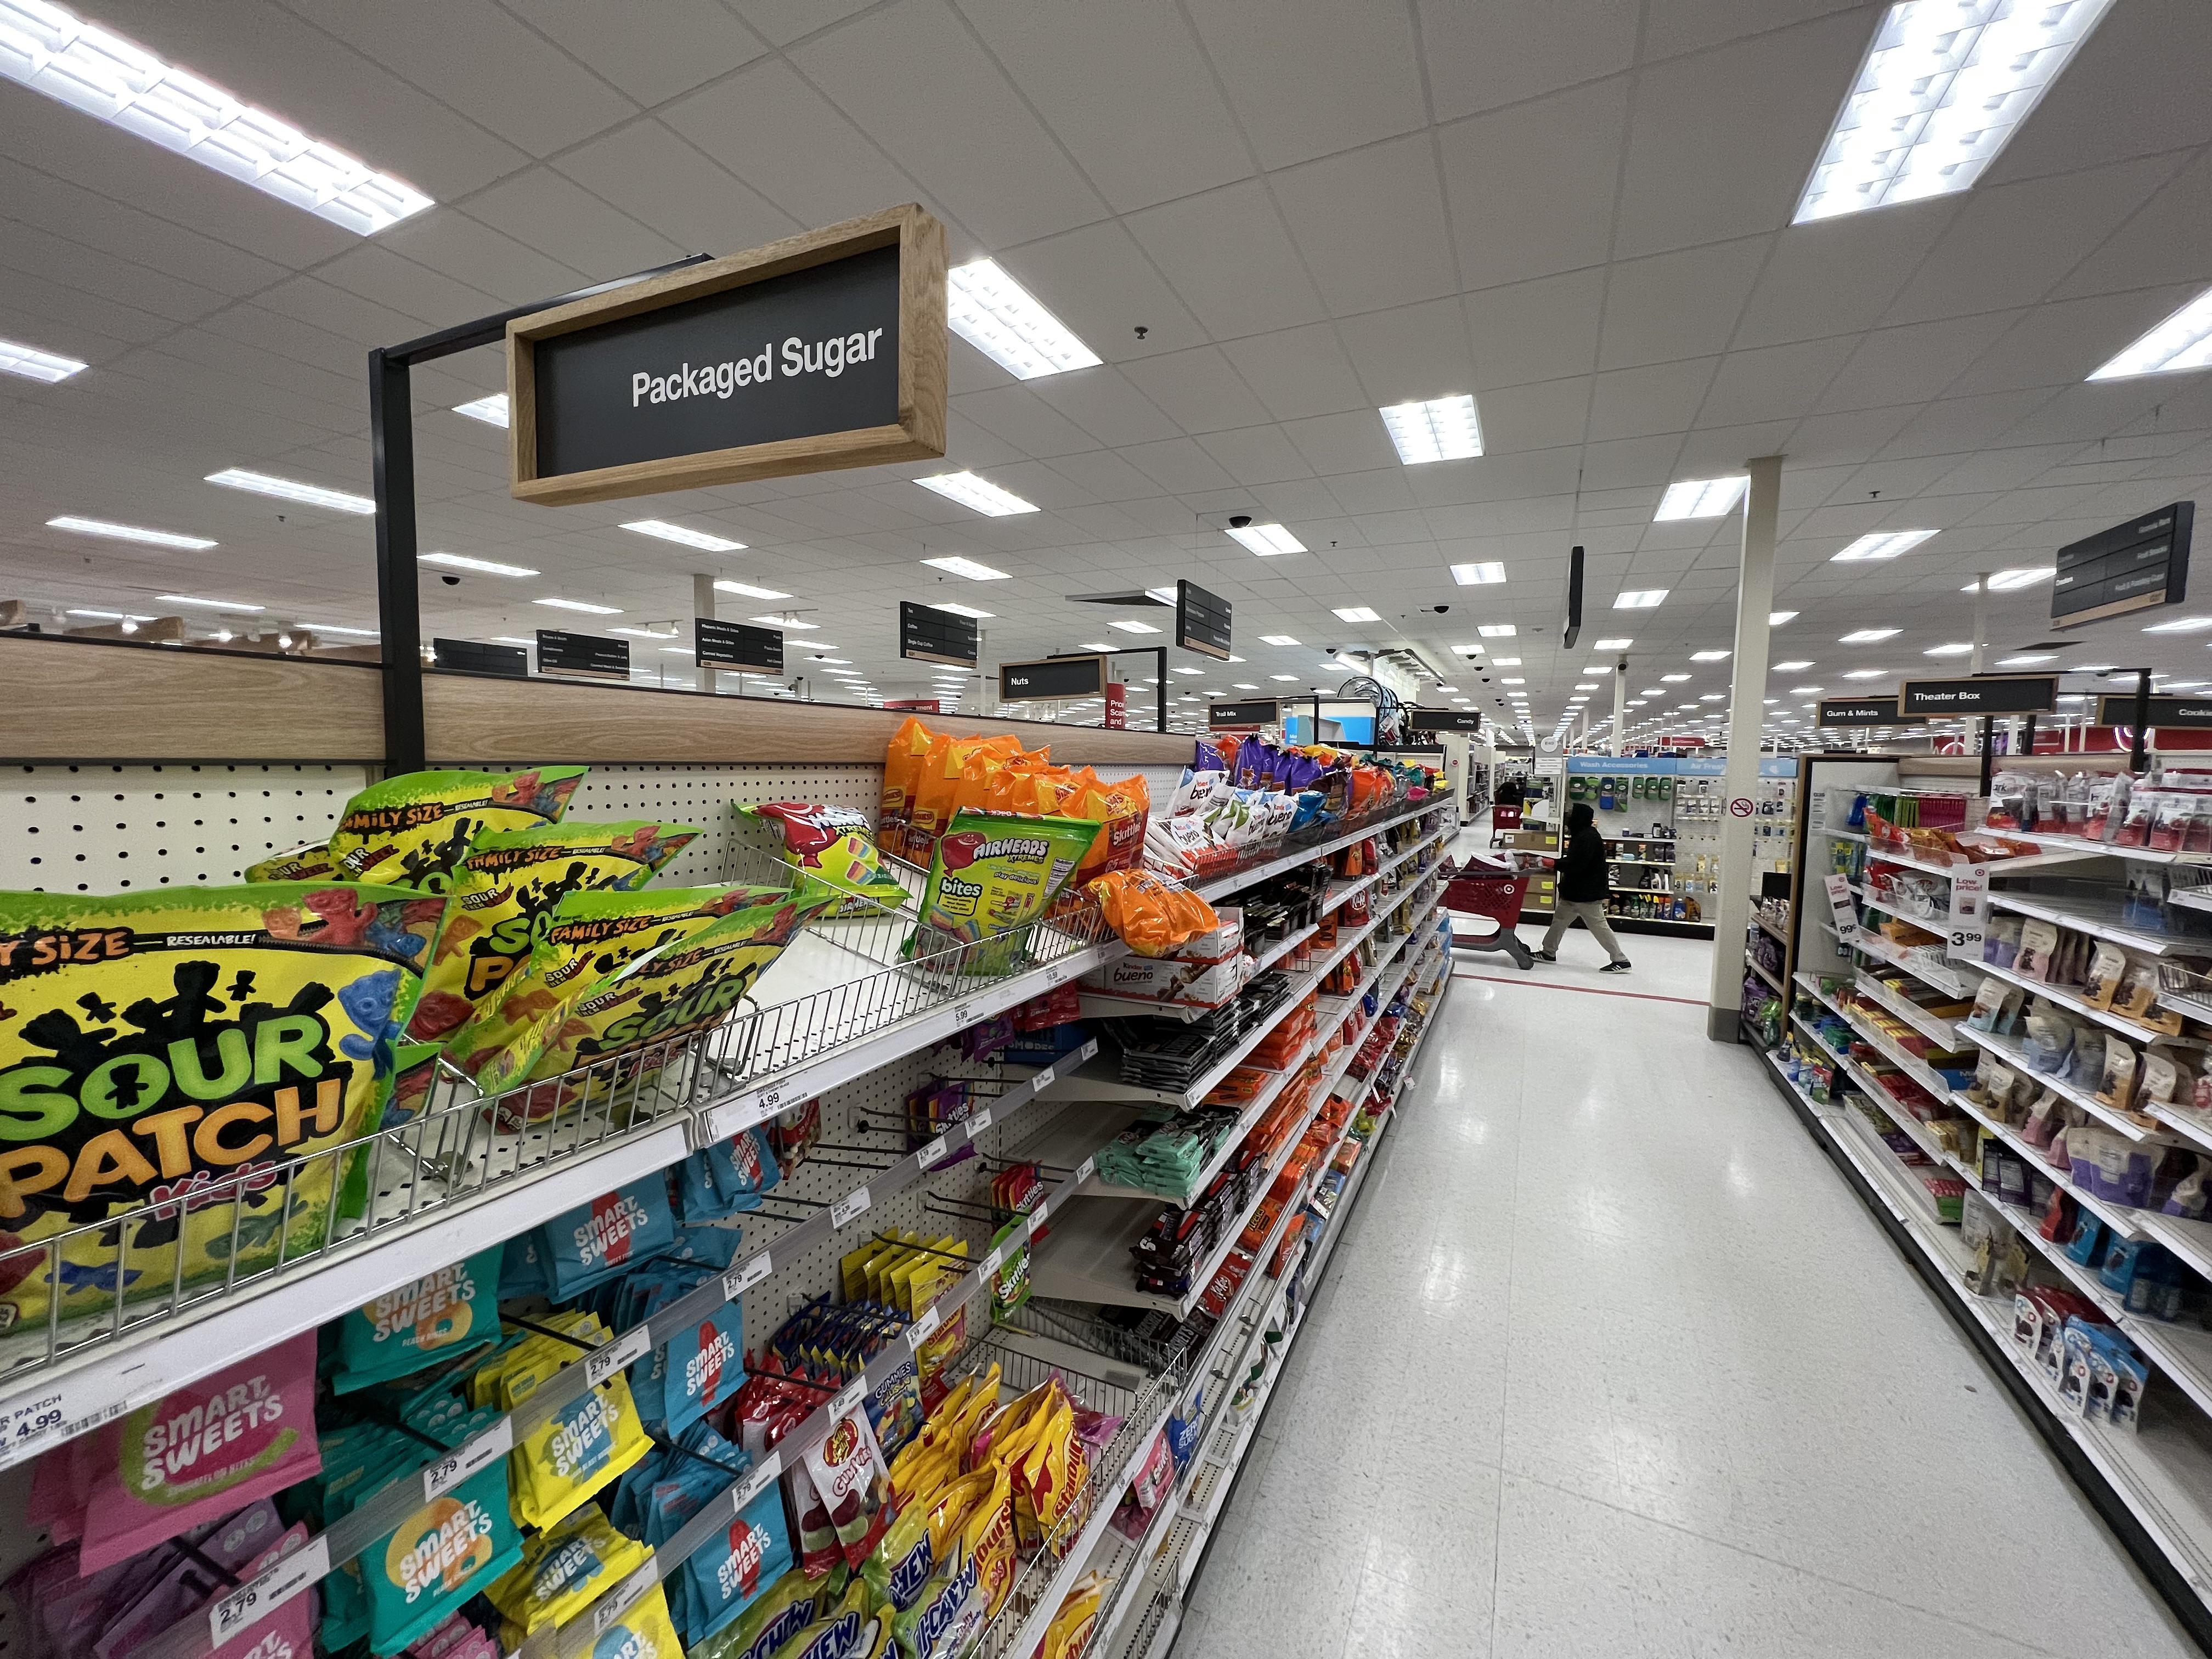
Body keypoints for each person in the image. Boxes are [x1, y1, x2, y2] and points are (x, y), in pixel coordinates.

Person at [1535, 800, 1630, 973]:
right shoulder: (1582, 834)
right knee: (1560, 921)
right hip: (1575, 892)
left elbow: (1577, 864)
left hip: (1586, 893)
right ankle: (1549, 952)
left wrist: (1554, 864)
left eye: (1572, 815)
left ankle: (1621, 960)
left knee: (1598, 926)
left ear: (1579, 818)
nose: (1569, 818)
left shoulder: (1588, 837)